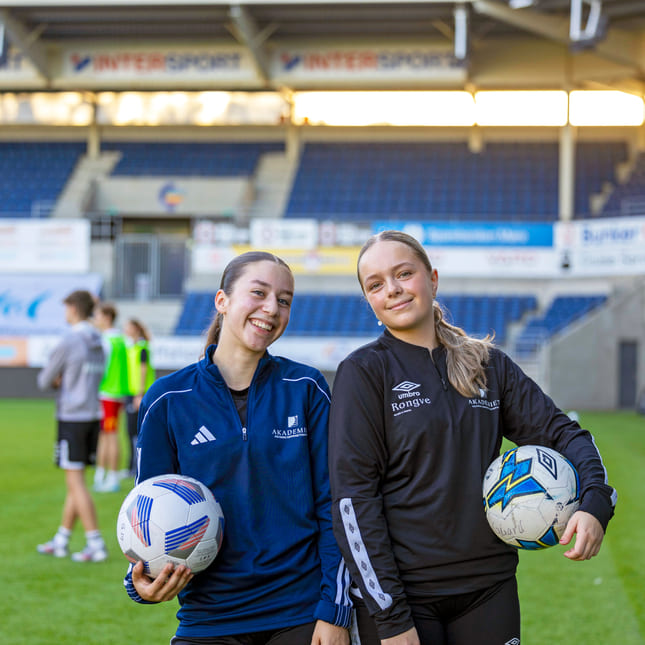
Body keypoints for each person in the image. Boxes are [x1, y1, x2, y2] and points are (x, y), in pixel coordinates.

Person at [328, 230, 617, 645]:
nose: (392, 289)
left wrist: (594, 502)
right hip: (406, 598)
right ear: (370, 302)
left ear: (432, 279)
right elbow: (353, 500)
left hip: (489, 588)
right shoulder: (364, 373)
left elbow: (562, 433)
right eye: (376, 284)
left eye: (403, 274)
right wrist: (390, 616)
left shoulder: (488, 366)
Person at [124, 251, 352, 645]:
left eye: (284, 300)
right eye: (258, 293)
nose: (271, 308)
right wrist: (138, 582)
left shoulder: (306, 388)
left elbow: (334, 506)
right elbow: (148, 515)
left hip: (299, 613)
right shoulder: (168, 399)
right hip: (209, 618)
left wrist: (334, 611)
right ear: (222, 301)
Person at [36, 289, 109, 563]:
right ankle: (62, 539)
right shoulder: (98, 340)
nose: (65, 313)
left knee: (75, 482)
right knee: (75, 481)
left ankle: (95, 544)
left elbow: (44, 380)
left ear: (74, 309)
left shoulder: (69, 341)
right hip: (92, 414)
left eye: (66, 308)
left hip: (71, 417)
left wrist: (59, 380)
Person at [93, 301, 130, 493]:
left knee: (110, 435)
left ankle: (112, 477)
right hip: (117, 392)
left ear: (107, 317)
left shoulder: (106, 341)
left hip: (108, 392)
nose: (95, 319)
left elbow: (102, 368)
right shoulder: (122, 340)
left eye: (98, 315)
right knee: (106, 434)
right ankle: (102, 475)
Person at [123, 317, 155, 478]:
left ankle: (136, 466)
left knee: (135, 431)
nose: (125, 330)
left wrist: (139, 394)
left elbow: (143, 371)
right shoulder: (132, 347)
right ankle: (131, 465)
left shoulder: (142, 348)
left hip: (139, 394)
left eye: (128, 327)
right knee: (129, 431)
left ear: (135, 329)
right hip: (131, 392)